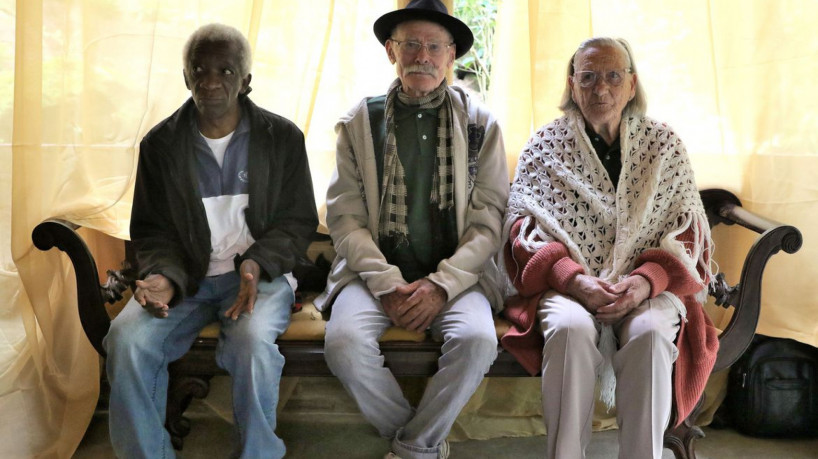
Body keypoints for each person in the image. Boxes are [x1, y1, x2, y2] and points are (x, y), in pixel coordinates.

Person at [103, 23, 318, 458]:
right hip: (187, 280)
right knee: (126, 340)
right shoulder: (160, 145)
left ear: (246, 81)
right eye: (199, 70)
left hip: (257, 279)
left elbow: (297, 222)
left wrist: (256, 263)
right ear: (186, 77)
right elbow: (152, 230)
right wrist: (162, 277)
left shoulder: (282, 139)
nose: (211, 81)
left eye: (225, 71)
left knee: (252, 343)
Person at [500, 37, 719, 459]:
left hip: (649, 288)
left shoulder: (664, 145)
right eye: (588, 77)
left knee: (651, 335)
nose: (601, 88)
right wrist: (574, 281)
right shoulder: (544, 145)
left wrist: (646, 281)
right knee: (568, 331)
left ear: (632, 85)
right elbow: (524, 232)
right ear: (572, 84)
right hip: (566, 287)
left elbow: (688, 231)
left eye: (613, 76)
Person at [314, 1, 509, 458]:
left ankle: (410, 448)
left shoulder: (481, 125)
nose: (423, 56)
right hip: (373, 276)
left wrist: (441, 287)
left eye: (435, 46)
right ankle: (421, 446)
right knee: (342, 344)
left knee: (478, 341)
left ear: (450, 56)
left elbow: (488, 224)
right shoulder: (359, 123)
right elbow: (345, 219)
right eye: (412, 45)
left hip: (457, 279)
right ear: (391, 51)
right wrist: (386, 285)